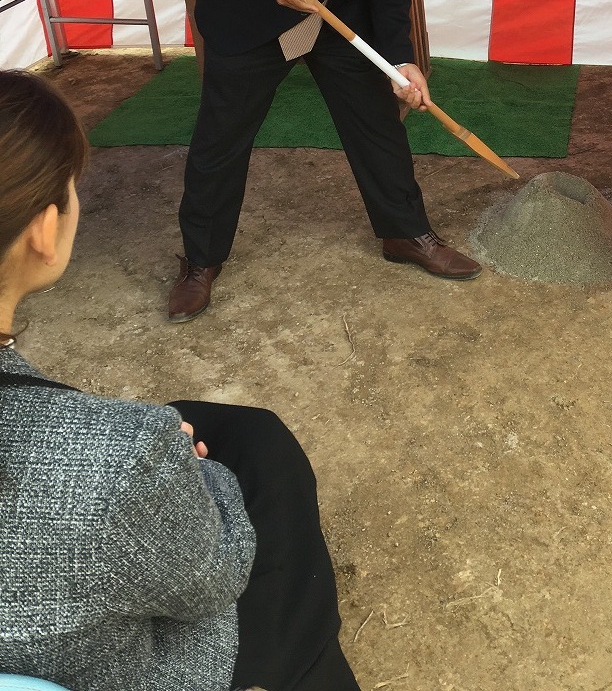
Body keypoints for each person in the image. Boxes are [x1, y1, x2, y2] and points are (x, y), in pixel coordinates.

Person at [0, 70, 361, 691]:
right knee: (262, 454)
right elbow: (210, 582)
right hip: (131, 670)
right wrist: (193, 474)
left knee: (219, 423)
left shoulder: (121, 445)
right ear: (42, 230)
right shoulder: (123, 454)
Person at [171, 0, 513, 323]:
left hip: (342, 8)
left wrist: (401, 58)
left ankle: (404, 232)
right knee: (224, 134)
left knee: (377, 119)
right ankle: (200, 261)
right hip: (257, 2)